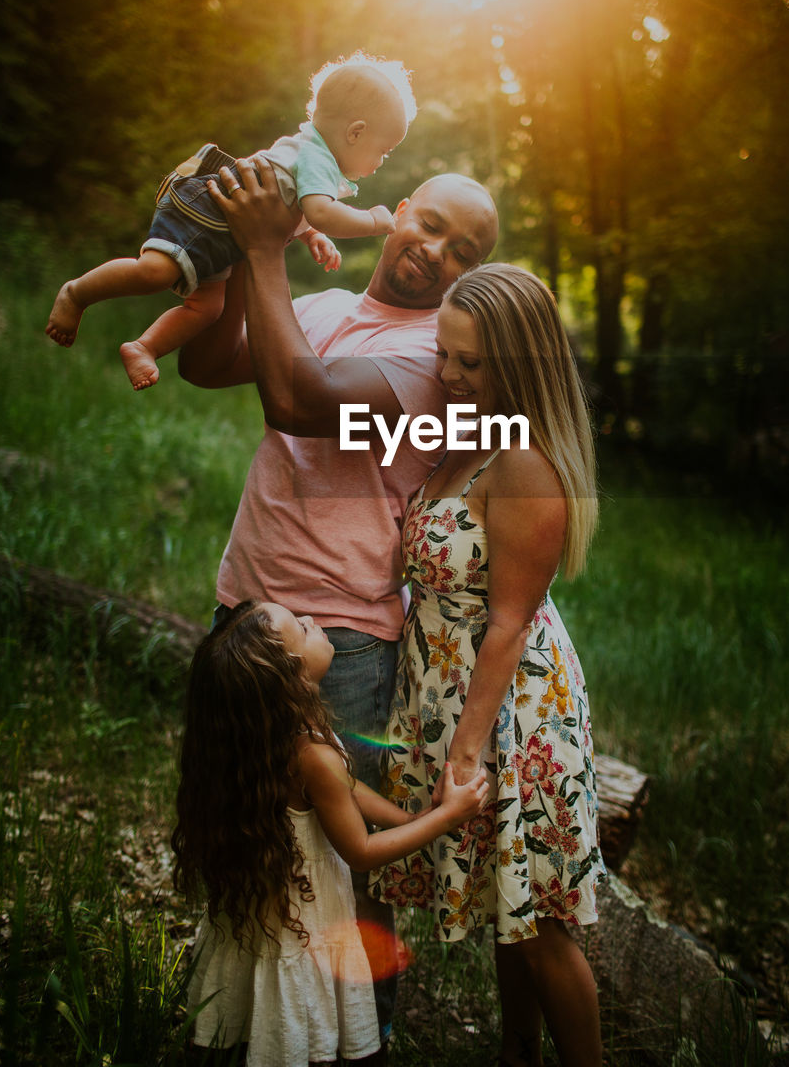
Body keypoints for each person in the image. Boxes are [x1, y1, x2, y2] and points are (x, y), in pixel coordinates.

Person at [177, 156, 499, 1042]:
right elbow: (205, 365)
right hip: (246, 609)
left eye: (462, 251)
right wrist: (238, 252)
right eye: (429, 224)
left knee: (342, 859)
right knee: (243, 825)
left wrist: (266, 248)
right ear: (394, 214)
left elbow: (294, 398)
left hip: (344, 639)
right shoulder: (316, 309)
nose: (436, 252)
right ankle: (251, 1014)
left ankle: (365, 1032)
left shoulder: (431, 364)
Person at [368, 263, 606, 1067]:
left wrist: (465, 750)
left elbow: (507, 620)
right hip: (452, 689)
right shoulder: (473, 433)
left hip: (510, 710)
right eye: (446, 354)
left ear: (520, 362)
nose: (449, 374)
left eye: (470, 363)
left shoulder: (525, 462)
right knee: (512, 912)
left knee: (538, 924)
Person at [172, 598, 489, 1067]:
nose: (310, 619)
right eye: (302, 627)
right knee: (296, 1022)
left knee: (248, 1009)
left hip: (266, 911)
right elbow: (359, 851)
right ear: (296, 674)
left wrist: (410, 820)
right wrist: (445, 820)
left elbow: (349, 787)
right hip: (306, 921)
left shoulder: (270, 735)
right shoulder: (312, 757)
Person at [45, 53, 414, 390]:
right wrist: (372, 220)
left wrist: (310, 235)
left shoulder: (313, 156)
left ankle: (144, 346)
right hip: (204, 211)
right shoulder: (319, 159)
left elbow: (294, 206)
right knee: (155, 271)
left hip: (224, 235)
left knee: (208, 309)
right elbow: (319, 209)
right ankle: (77, 292)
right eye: (383, 151)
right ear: (356, 132)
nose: (381, 162)